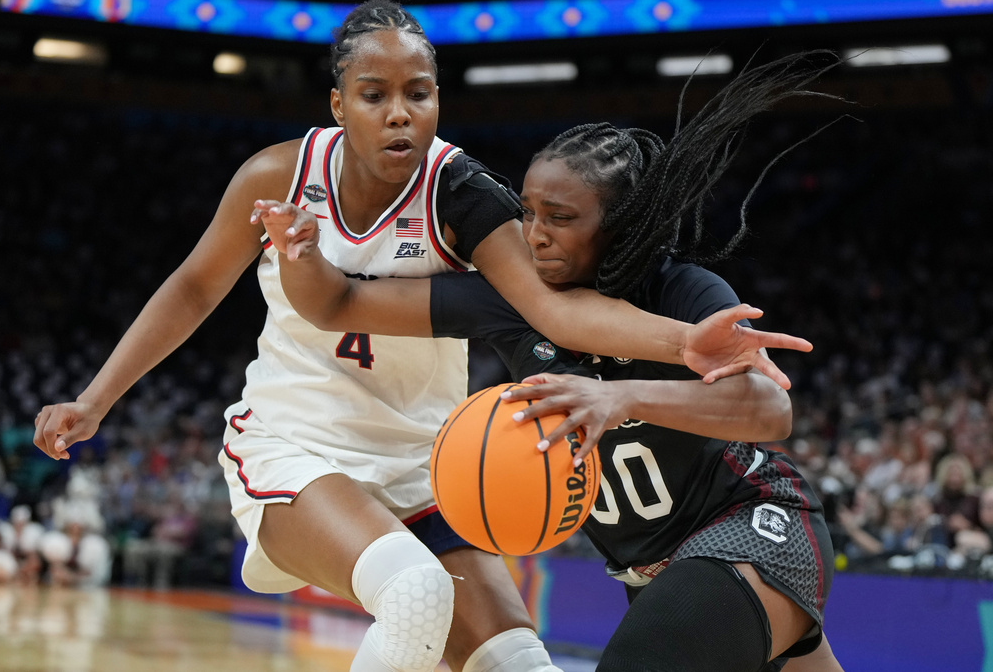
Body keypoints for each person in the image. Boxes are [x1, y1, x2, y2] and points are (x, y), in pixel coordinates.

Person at [32, 0, 812, 672]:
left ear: (439, 101)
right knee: (415, 596)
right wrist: (96, 399)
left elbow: (554, 311)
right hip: (300, 443)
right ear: (339, 105)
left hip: (426, 464)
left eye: (419, 93)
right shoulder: (277, 175)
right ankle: (294, 532)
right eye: (374, 94)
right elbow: (205, 286)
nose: (399, 111)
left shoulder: (466, 195)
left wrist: (683, 343)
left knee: (519, 660)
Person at [256, 50, 846, 672]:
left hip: (751, 522)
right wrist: (298, 248)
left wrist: (620, 397)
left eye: (560, 219)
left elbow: (770, 408)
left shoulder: (683, 292)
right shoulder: (511, 304)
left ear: (620, 226)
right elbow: (341, 301)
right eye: (528, 212)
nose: (532, 234)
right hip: (649, 572)